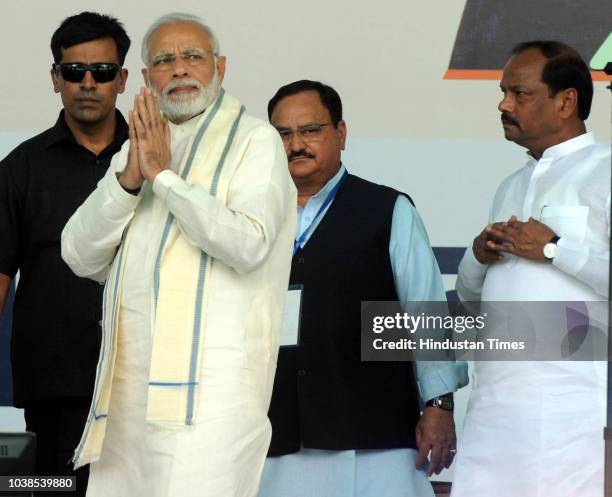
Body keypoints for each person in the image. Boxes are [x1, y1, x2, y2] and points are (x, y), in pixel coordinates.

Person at [60, 12, 296, 497]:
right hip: (128, 399)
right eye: (164, 61)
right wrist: (129, 180)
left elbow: (248, 244)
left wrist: (165, 180)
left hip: (212, 400)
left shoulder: (256, 141)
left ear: (220, 67)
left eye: (193, 56)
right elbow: (78, 254)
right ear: (146, 78)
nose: (180, 69)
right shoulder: (140, 146)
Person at [258, 80, 469, 497]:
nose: (296, 144)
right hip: (276, 433)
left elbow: (424, 314)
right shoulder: (252, 217)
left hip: (374, 436)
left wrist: (438, 405)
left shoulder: (386, 210)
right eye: (283, 134)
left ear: (341, 133)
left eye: (310, 130)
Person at [451, 41, 610, 497]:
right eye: (503, 93)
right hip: (493, 410)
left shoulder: (605, 171)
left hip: (571, 416)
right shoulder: (510, 185)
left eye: (519, 93)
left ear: (566, 102)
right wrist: (479, 256)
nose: (503, 104)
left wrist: (556, 250)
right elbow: (468, 299)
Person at [0, 12, 130, 496]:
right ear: (56, 80)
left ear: (122, 78)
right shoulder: (20, 169)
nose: (88, 83)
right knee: (55, 490)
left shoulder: (158, 158)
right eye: (74, 72)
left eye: (101, 71)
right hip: (56, 384)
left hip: (147, 378)